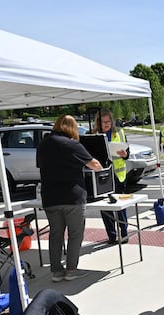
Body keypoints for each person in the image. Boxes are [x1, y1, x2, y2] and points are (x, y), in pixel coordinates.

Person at [36, 114, 103, 282]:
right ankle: (71, 270)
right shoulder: (72, 144)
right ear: (72, 128)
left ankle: (56, 272)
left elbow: (41, 166)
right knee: (75, 234)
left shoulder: (43, 144)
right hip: (72, 196)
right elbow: (96, 166)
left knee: (55, 235)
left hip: (50, 197)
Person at [94, 109, 129, 244]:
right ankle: (112, 235)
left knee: (120, 205)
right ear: (99, 122)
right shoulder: (94, 134)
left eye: (109, 121)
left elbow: (128, 153)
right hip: (102, 175)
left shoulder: (119, 132)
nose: (107, 124)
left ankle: (124, 233)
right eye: (104, 122)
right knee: (105, 207)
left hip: (118, 175)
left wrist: (125, 155)